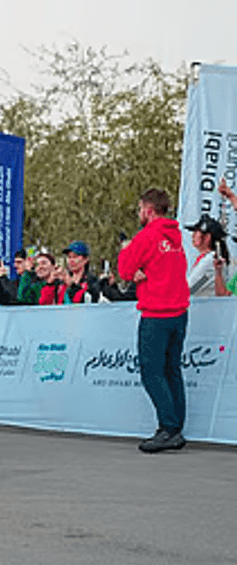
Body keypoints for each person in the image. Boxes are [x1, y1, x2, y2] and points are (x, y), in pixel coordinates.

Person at [117, 188, 190, 453]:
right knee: (172, 370)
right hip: (179, 312)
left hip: (157, 313)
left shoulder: (147, 235)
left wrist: (128, 254)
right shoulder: (176, 236)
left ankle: (168, 428)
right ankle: (176, 427)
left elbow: (124, 269)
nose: (139, 214)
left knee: (152, 372)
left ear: (148, 210)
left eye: (139, 209)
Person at [183, 215, 231, 297]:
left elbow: (188, 289)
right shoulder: (210, 258)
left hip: (207, 307)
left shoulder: (209, 261)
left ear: (208, 237)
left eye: (196, 232)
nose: (192, 235)